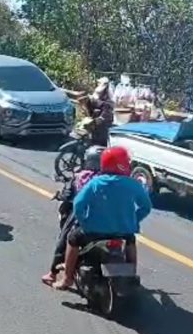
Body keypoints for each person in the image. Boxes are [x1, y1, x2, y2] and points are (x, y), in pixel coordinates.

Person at [57, 146, 152, 289]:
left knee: (72, 239)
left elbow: (78, 205)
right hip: (123, 231)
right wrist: (133, 220)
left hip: (94, 231)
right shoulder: (134, 184)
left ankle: (67, 278)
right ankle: (131, 275)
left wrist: (85, 222)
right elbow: (146, 207)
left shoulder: (96, 182)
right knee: (131, 241)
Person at [41, 146, 104, 287]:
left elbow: (68, 195)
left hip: (86, 217)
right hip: (113, 221)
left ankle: (54, 274)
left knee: (65, 238)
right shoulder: (112, 179)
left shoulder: (81, 177)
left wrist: (59, 196)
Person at [79, 77, 114, 147]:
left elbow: (106, 110)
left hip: (103, 124)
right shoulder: (96, 94)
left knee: (100, 142)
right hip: (95, 122)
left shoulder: (107, 98)